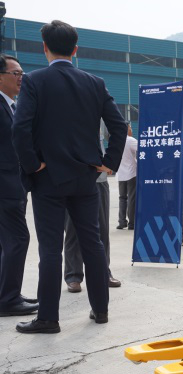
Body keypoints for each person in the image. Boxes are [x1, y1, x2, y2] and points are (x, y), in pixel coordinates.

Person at [12, 20, 127, 333]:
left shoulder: (34, 80)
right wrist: (108, 163)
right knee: (93, 243)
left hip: (49, 178)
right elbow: (118, 126)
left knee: (50, 249)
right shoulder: (95, 83)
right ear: (75, 49)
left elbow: (20, 128)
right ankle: (101, 310)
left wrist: (33, 165)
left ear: (44, 48)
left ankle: (48, 318)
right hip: (86, 177)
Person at [0, 54, 39, 317]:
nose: (21, 78)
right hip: (6, 187)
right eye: (15, 73)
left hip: (13, 185)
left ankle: (7, 293)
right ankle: (8, 300)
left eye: (22, 73)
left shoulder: (12, 106)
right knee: (18, 239)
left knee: (6, 243)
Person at [64, 121, 122, 293]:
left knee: (101, 230)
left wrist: (110, 161)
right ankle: (73, 276)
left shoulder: (101, 113)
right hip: (71, 178)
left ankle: (103, 272)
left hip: (98, 179)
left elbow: (117, 132)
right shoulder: (63, 110)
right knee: (72, 230)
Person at [116, 122, 137, 230]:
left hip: (120, 174)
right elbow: (142, 150)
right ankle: (132, 223)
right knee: (132, 198)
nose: (131, 130)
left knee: (122, 198)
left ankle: (122, 222)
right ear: (127, 128)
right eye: (130, 128)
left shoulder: (116, 140)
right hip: (131, 173)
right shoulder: (130, 140)